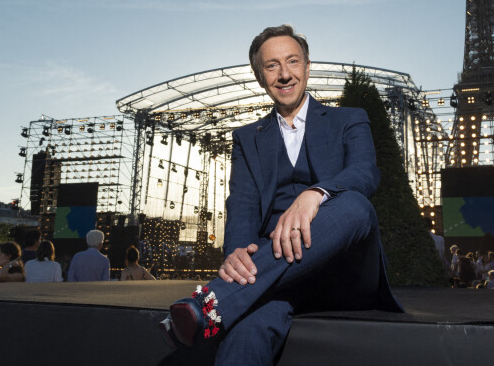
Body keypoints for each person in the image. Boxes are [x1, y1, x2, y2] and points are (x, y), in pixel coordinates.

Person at [159, 24, 402, 365]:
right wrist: (238, 254)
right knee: (245, 337)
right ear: (260, 76)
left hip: (343, 272)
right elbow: (241, 204)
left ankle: (212, 303)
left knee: (356, 205)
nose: (285, 74)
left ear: (307, 66)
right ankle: (220, 307)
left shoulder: (349, 119)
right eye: (272, 66)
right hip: (276, 280)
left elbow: (364, 173)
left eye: (293, 62)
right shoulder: (247, 138)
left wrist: (315, 193)